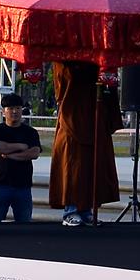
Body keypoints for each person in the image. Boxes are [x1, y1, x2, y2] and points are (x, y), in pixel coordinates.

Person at [50, 60, 121, 227]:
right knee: (73, 168)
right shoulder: (67, 62)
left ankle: (87, 209)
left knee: (91, 168)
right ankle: (71, 210)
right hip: (74, 118)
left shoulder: (98, 61)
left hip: (94, 119)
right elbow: (63, 84)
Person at [0, 93, 42, 223]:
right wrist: (21, 146)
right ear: (3, 111)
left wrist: (10, 155)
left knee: (24, 224)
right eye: (10, 108)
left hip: (23, 185)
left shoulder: (30, 132)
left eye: (17, 108)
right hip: (0, 184)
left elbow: (34, 153)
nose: (15, 111)